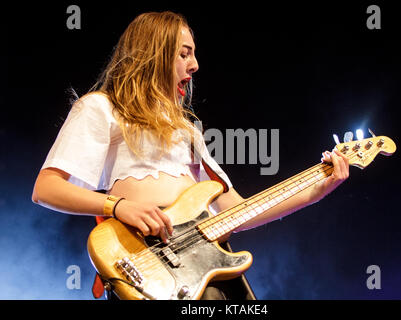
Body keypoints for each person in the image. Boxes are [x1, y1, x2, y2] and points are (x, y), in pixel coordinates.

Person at [32, 11, 349, 300]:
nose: (195, 65)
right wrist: (117, 206)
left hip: (206, 263)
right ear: (152, 55)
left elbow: (236, 212)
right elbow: (46, 188)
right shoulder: (101, 107)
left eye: (193, 55)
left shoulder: (190, 130)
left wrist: (317, 189)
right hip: (149, 263)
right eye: (184, 54)